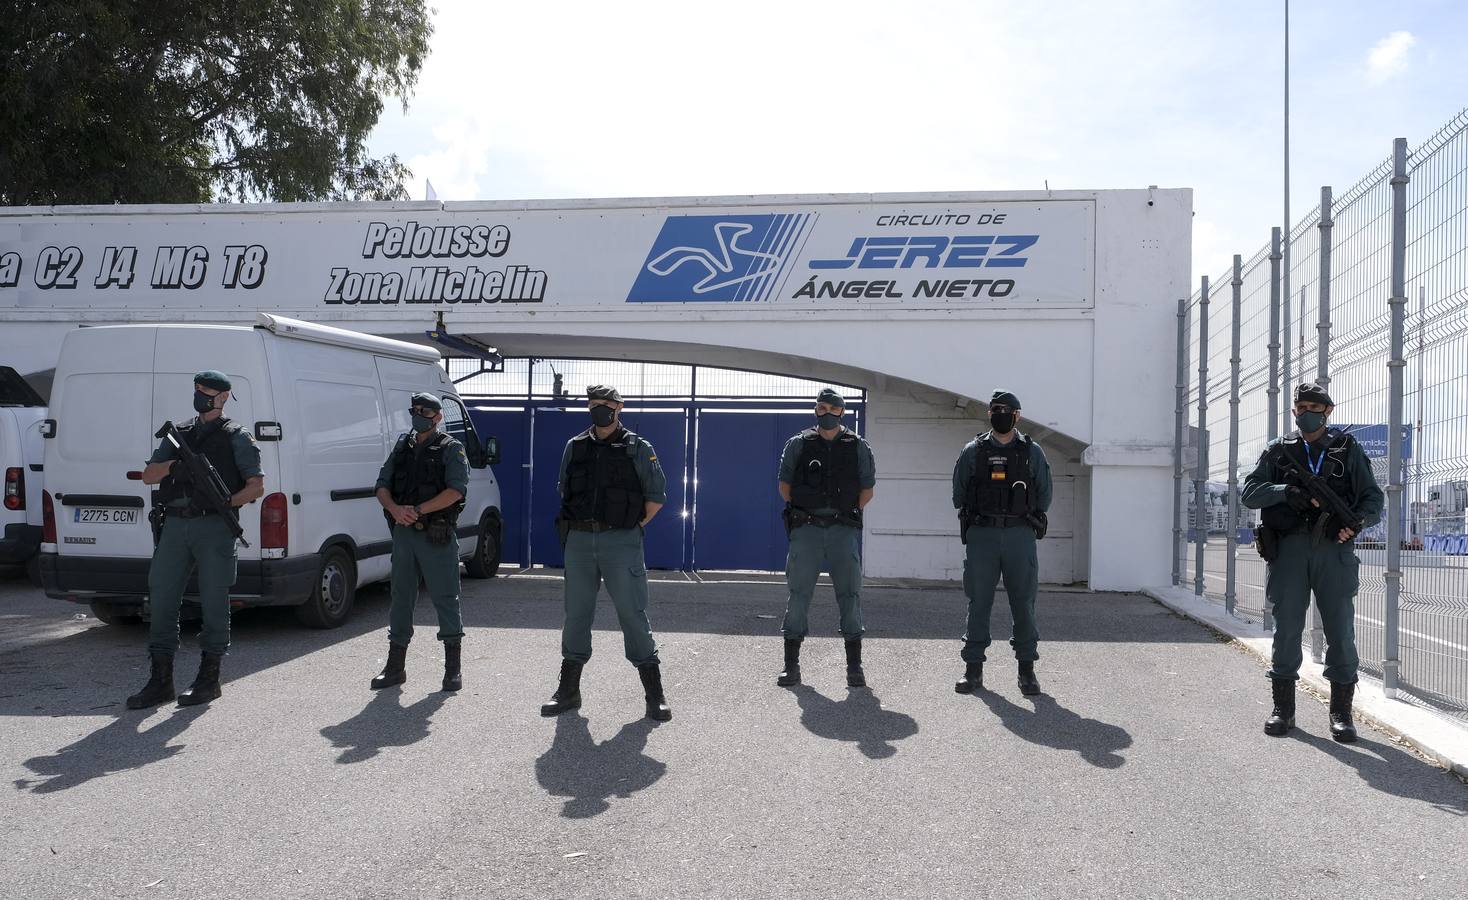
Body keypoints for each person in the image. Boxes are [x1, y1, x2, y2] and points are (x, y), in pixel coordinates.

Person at [1242, 381, 1383, 742]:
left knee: (1340, 630)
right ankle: (1283, 710)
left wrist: (1356, 525)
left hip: (1333, 551)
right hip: (1289, 550)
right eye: (1301, 408)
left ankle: (1340, 713)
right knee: (1286, 628)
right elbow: (1250, 493)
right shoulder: (1279, 451)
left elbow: (1372, 500)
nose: (1307, 414)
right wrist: (1284, 492)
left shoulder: (1346, 450)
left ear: (1328, 412)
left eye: (1315, 409)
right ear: (1294, 411)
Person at [126, 370, 264, 709]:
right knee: (161, 597)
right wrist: (176, 466)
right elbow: (149, 475)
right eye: (197, 389)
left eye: (206, 390)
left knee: (215, 601)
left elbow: (256, 487)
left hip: (214, 525)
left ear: (223, 396)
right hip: (174, 525)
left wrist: (222, 501)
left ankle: (209, 678)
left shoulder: (237, 436)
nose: (199, 394)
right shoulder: (179, 435)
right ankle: (160, 681)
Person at [540, 385, 672, 722]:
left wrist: (628, 525)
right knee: (576, 615)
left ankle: (654, 695)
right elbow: (563, 489)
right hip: (580, 541)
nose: (600, 409)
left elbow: (655, 497)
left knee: (632, 613)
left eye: (606, 404)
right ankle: (568, 691)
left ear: (619, 407)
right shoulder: (576, 446)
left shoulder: (638, 448)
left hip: (621, 541)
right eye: (594, 404)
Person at [951, 390, 1051, 697]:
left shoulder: (1031, 452)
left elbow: (1044, 495)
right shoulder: (973, 450)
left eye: (1006, 409)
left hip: (1020, 535)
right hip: (983, 536)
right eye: (995, 409)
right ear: (989, 414)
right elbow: (959, 493)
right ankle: (973, 670)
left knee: (1023, 602)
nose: (1000, 413)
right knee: (978, 601)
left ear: (1017, 415)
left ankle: (1026, 671)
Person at [775, 388, 877, 688]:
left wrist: (844, 512)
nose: (827, 413)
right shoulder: (798, 444)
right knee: (798, 594)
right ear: (815, 410)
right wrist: (808, 511)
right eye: (821, 407)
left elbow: (867, 490)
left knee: (850, 594)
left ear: (842, 412)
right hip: (806, 529)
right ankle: (791, 666)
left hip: (842, 530)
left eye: (833, 408)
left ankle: (854, 667)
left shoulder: (857, 446)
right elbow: (785, 486)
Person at [369, 392, 471, 692]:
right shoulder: (403, 446)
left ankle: (452, 670)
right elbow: (381, 485)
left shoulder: (451, 449)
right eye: (414, 410)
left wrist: (417, 510)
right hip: (404, 535)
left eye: (424, 411)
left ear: (438, 417)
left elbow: (456, 491)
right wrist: (394, 509)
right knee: (400, 597)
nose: (418, 415)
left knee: (445, 599)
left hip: (434, 534)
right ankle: (395, 668)